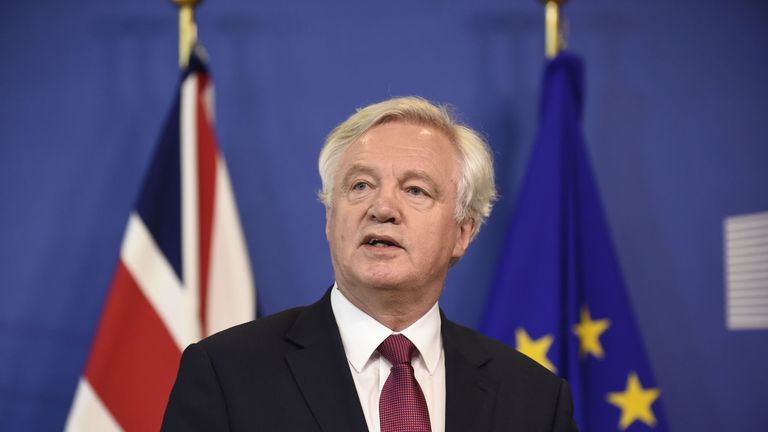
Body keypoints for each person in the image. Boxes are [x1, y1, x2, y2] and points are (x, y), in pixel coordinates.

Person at [162, 96, 578, 431]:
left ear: (463, 233)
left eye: (416, 190)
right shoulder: (227, 373)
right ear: (330, 219)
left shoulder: (534, 399)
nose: (382, 207)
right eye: (360, 185)